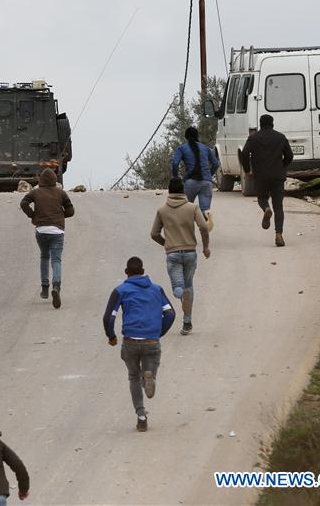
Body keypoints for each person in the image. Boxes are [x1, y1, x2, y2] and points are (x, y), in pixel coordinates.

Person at [103, 257, 176, 432]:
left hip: (130, 341)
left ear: (126, 273)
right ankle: (150, 379)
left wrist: (111, 336)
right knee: (147, 375)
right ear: (143, 272)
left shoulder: (120, 290)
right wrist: (158, 333)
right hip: (151, 340)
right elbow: (171, 314)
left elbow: (109, 317)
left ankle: (141, 416)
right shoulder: (157, 289)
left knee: (133, 377)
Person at [151, 177, 210, 335]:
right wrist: (205, 247)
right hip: (190, 253)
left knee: (178, 286)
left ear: (169, 192)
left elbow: (154, 234)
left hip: (173, 254)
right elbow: (204, 227)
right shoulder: (192, 208)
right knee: (189, 285)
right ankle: (187, 323)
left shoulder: (162, 210)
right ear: (183, 191)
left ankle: (179, 291)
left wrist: (166, 243)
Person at [19, 168, 75, 308]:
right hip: (57, 232)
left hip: (41, 230)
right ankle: (56, 287)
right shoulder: (60, 193)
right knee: (56, 260)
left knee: (44, 257)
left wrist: (32, 215)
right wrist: (61, 215)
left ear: (41, 180)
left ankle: (44, 288)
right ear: (55, 179)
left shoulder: (36, 192)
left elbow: (23, 203)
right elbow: (71, 211)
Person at [240, 114, 294, 247]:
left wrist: (247, 171)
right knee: (279, 207)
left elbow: (244, 153)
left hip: (260, 176)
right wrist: (282, 166)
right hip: (277, 176)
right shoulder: (280, 137)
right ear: (272, 124)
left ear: (260, 124)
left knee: (262, 198)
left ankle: (265, 209)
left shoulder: (253, 138)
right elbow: (289, 155)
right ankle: (279, 234)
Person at [171, 126, 219, 230]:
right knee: (205, 209)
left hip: (190, 182)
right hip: (206, 183)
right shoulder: (206, 148)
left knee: (185, 209)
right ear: (197, 136)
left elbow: (175, 163)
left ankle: (187, 232)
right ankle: (206, 218)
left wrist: (176, 178)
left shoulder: (182, 148)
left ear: (186, 137)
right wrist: (209, 176)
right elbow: (216, 164)